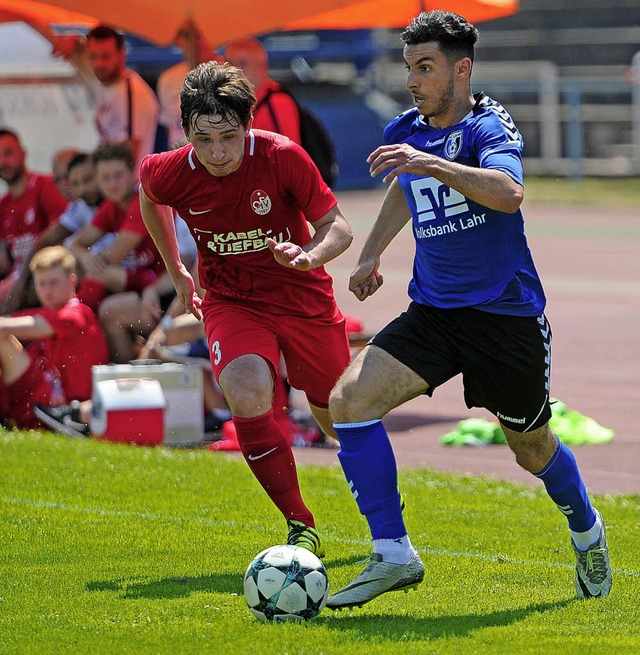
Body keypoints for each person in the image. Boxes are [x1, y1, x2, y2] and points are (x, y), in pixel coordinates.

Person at [325, 10, 612, 610]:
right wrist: (371, 253)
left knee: (530, 448)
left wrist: (429, 162)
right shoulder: (409, 127)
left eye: (425, 68)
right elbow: (405, 188)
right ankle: (393, 555)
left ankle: (587, 529)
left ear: (462, 69)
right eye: (409, 68)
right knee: (349, 401)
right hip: (434, 314)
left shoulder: (489, 127)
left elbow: (508, 194)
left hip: (504, 317)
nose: (413, 81)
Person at [137, 61, 353, 554]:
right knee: (248, 389)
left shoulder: (282, 157)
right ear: (186, 131)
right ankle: (301, 524)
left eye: (228, 137)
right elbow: (150, 197)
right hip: (231, 301)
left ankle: (383, 516)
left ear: (248, 125)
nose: (216, 151)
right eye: (203, 137)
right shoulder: (169, 169)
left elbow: (337, 226)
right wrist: (176, 270)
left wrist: (310, 255)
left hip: (302, 296)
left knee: (339, 416)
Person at [0, 246, 108, 430]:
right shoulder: (51, 312)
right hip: (46, 394)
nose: (47, 290)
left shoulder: (76, 314)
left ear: (72, 281)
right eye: (42, 283)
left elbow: (21, 325)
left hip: (64, 405)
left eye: (53, 282)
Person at [53, 25, 160, 179]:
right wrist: (75, 40)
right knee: (63, 164)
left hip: (128, 186)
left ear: (122, 55)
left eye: (106, 56)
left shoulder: (134, 93)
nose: (99, 64)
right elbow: (68, 50)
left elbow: (129, 155)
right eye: (93, 57)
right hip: (112, 181)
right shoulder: (103, 83)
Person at [68, 143, 164, 314]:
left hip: (160, 282)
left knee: (96, 280)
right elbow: (72, 245)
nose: (112, 184)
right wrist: (85, 256)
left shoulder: (143, 200)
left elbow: (111, 257)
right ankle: (77, 321)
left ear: (132, 173)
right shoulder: (111, 206)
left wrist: (87, 259)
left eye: (118, 176)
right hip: (136, 278)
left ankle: (77, 320)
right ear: (97, 179)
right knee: (77, 269)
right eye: (106, 177)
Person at [0, 129, 68, 311]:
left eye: (8, 153)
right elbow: (4, 260)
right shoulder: (3, 205)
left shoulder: (46, 186)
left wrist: (20, 280)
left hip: (45, 276)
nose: (2, 162)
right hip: (16, 281)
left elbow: (63, 238)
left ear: (23, 152)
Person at [157, 22, 224, 149]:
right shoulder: (168, 79)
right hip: (182, 152)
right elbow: (169, 126)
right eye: (187, 36)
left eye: (198, 36)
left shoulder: (227, 74)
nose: (194, 43)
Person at [224, 38, 301, 144]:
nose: (235, 70)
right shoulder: (238, 103)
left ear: (262, 67)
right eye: (230, 63)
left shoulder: (278, 102)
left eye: (243, 63)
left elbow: (291, 154)